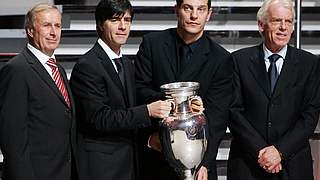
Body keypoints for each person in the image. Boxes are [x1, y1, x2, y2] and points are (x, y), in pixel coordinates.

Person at [69, 0, 171, 180]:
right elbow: (100, 118)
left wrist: (180, 102)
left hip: (129, 165)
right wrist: (147, 111)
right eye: (115, 20)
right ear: (100, 24)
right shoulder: (87, 66)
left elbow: (137, 100)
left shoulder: (127, 64)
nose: (123, 26)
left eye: (127, 20)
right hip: (102, 168)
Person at [134, 0, 233, 179]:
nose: (194, 15)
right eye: (188, 8)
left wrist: (205, 164)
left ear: (209, 14)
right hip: (155, 157)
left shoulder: (221, 59)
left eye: (201, 9)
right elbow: (139, 91)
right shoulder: (152, 44)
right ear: (177, 10)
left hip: (198, 163)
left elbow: (218, 118)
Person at [228, 0, 320, 179]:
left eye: (288, 22)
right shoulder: (239, 61)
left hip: (293, 165)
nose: (283, 28)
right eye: (277, 21)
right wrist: (261, 152)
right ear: (261, 25)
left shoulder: (309, 64)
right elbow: (233, 112)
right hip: (248, 163)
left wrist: (279, 151)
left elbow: (309, 116)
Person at [0, 3, 78, 180]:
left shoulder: (57, 68)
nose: (53, 32)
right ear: (30, 31)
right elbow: (13, 140)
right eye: (46, 25)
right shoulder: (17, 70)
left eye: (57, 26)